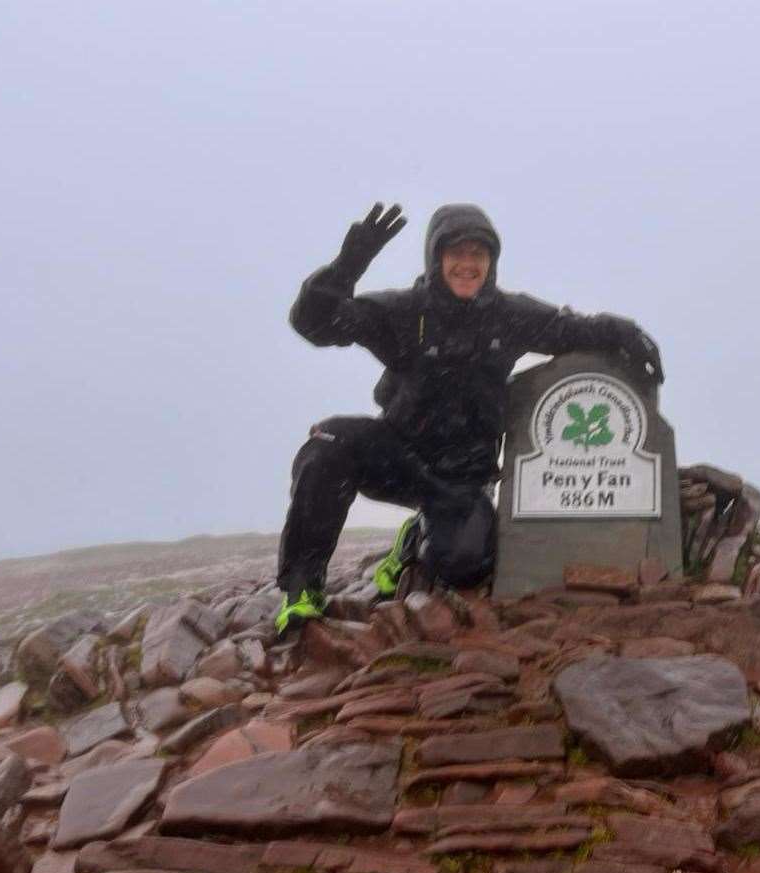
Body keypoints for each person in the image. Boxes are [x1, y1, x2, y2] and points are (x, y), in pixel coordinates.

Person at [273, 201, 663, 633]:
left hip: (460, 479)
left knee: (464, 565)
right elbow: (315, 323)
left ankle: (413, 541)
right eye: (455, 253)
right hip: (398, 456)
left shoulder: (508, 314)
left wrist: (627, 333)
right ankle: (302, 591)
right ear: (436, 258)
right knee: (328, 445)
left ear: (491, 262)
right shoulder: (404, 313)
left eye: (478, 254)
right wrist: (347, 266)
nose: (467, 264)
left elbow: (574, 329)